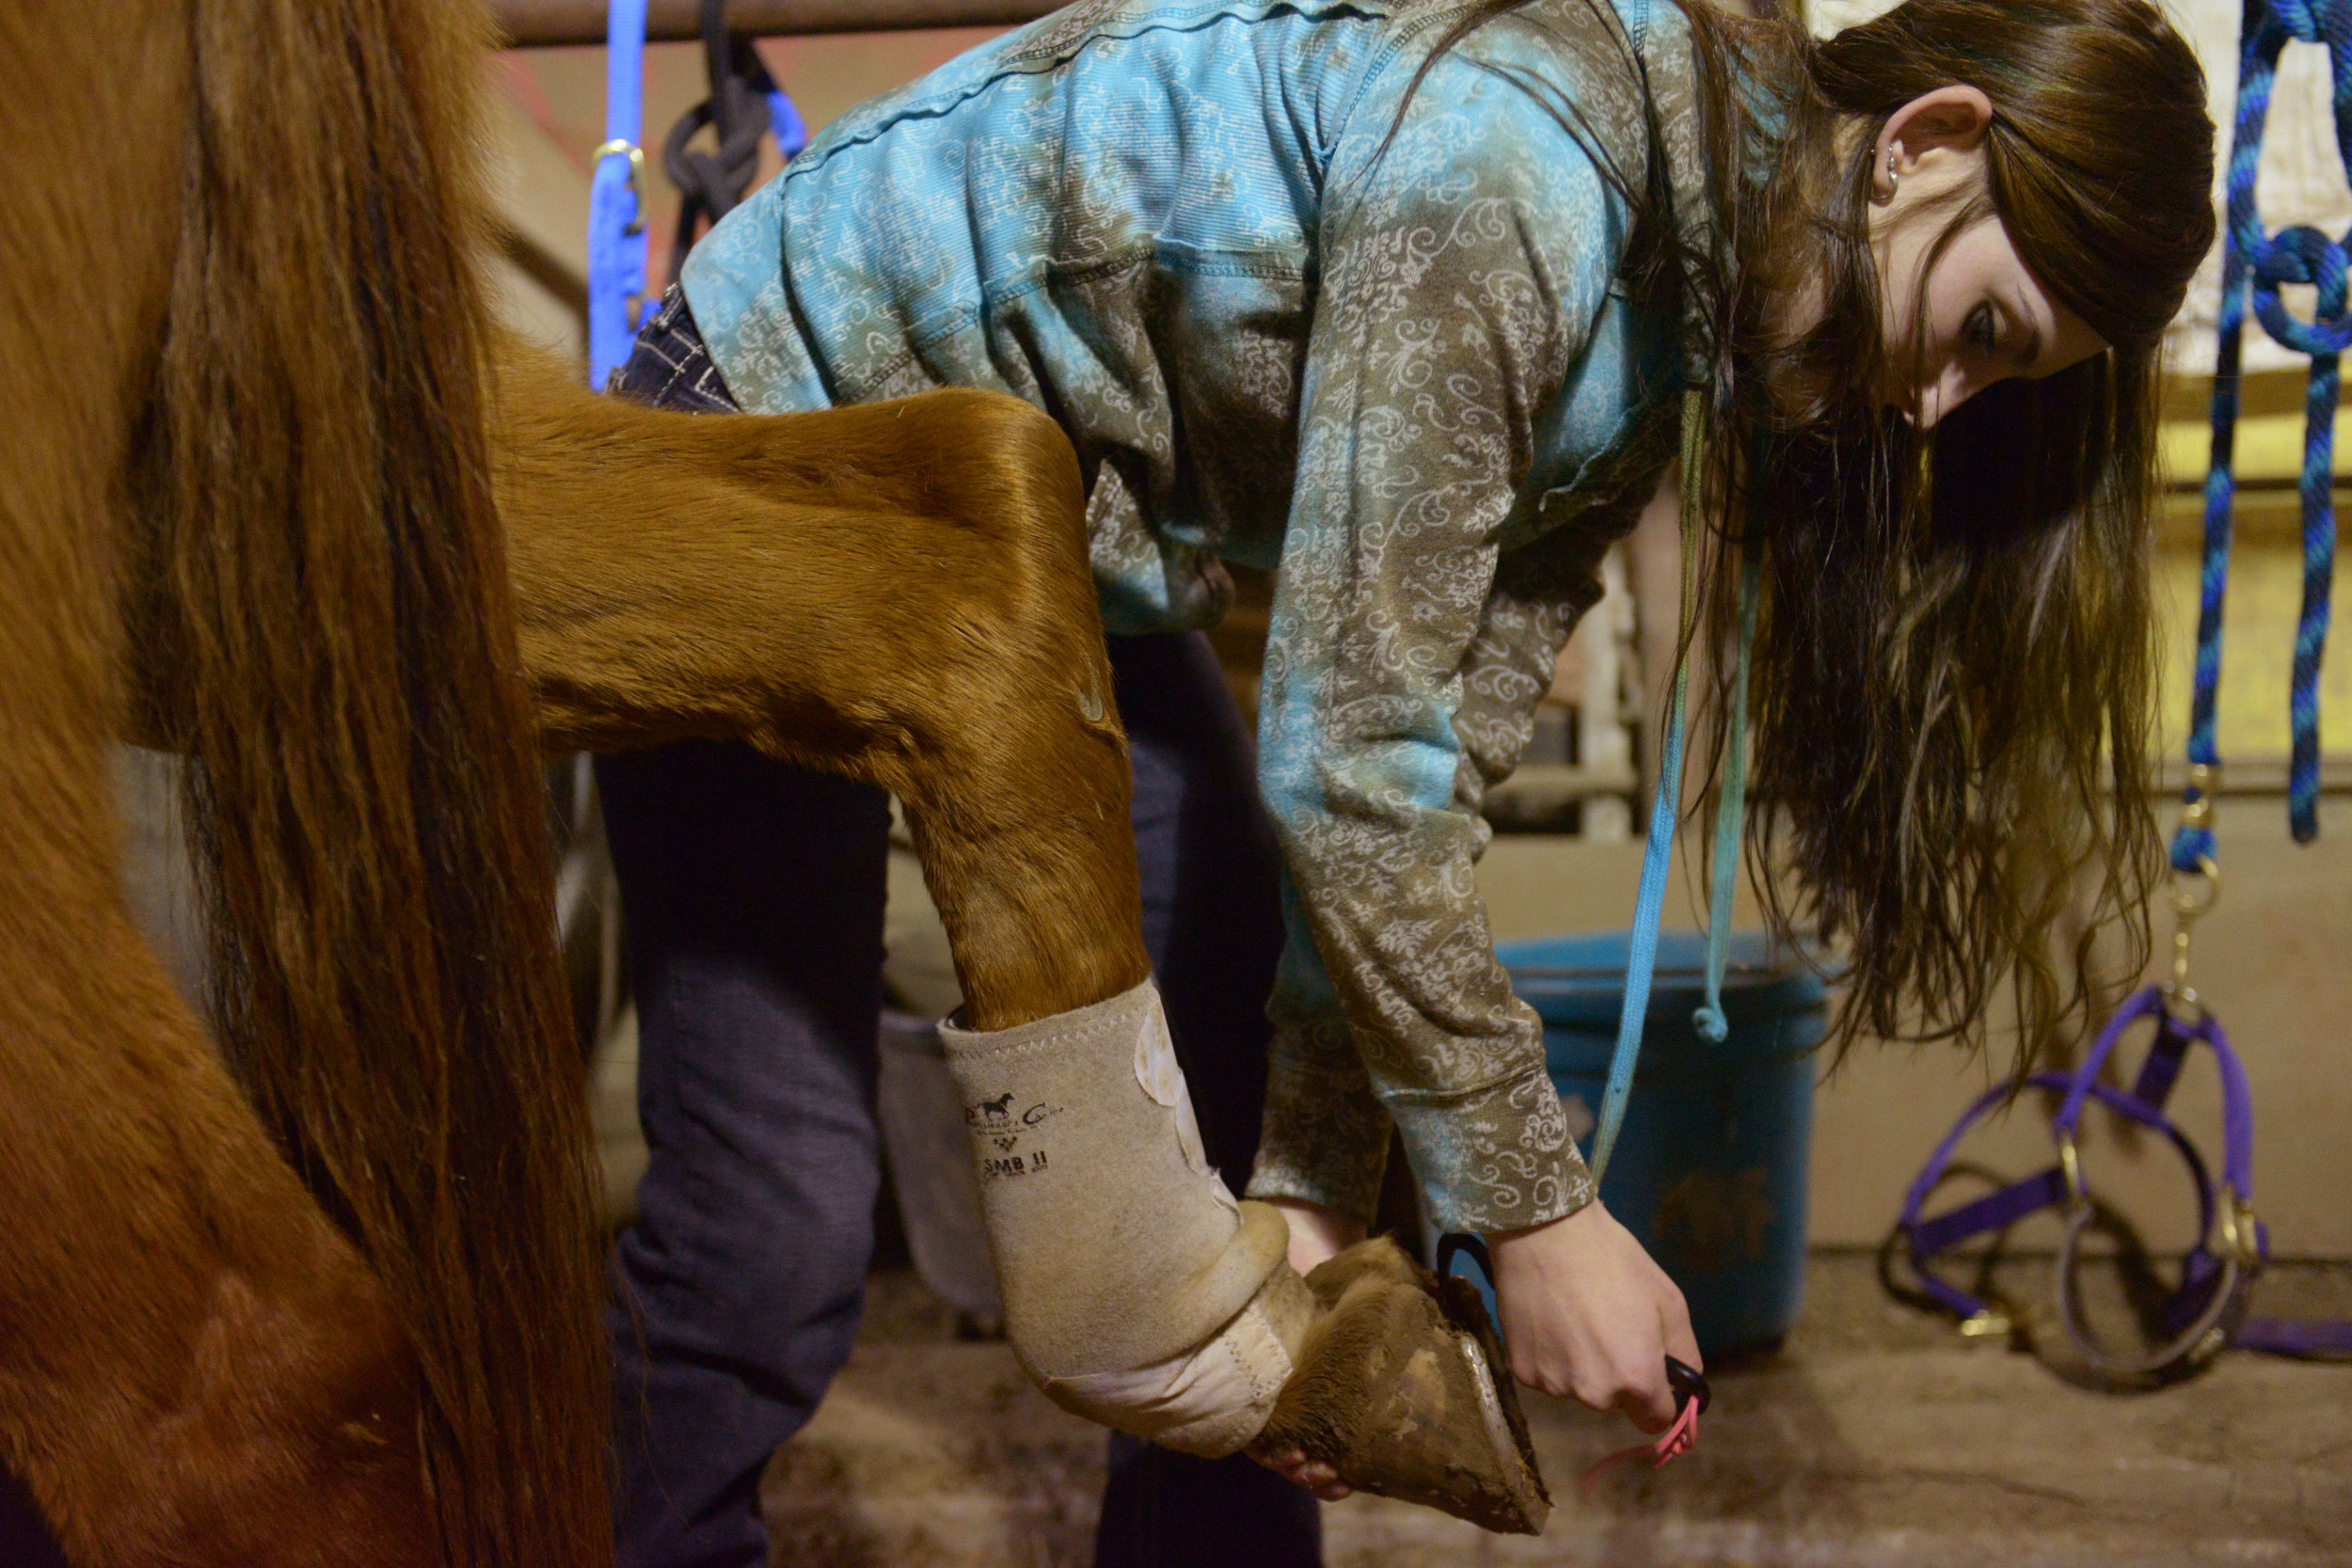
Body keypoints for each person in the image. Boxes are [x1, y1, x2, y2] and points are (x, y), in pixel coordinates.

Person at [596, 0, 2214, 1561]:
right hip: (778, 428)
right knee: (777, 1215)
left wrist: (1304, 1195)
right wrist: (1537, 1213)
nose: (1937, 406)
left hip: (1016, 518)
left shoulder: (1669, 327)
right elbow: (1350, 769)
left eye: (2004, 383)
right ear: (1922, 144)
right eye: (1986, 331)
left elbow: (1422, 776)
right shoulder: (1519, 170)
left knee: (1247, 1140)